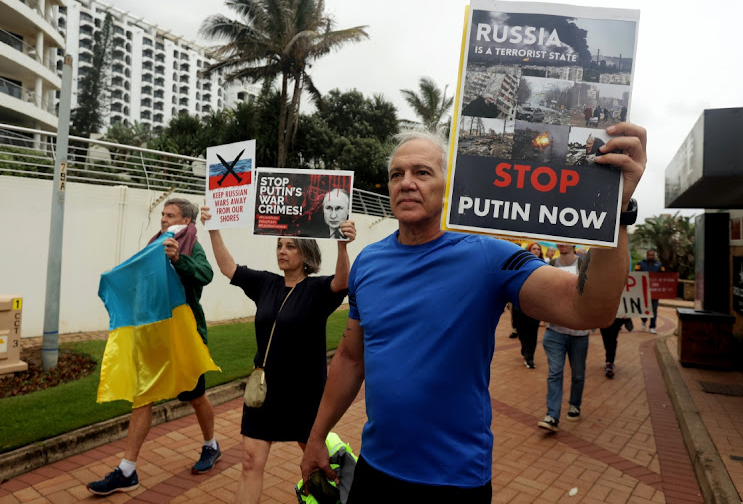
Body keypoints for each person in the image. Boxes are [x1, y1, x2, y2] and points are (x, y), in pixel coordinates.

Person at [300, 122, 646, 502]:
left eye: (422, 172)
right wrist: (317, 437)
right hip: (376, 469)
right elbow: (350, 358)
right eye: (397, 174)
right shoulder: (368, 262)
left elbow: (589, 309)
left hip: (455, 480)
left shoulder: (488, 255)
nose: (406, 182)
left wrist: (619, 210)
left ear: (449, 186)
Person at [202, 207, 356, 504]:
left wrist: (341, 243)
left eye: (290, 246)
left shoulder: (317, 289)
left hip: (304, 394)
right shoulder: (266, 284)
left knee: (317, 466)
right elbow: (228, 268)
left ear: (306, 254)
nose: (282, 251)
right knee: (249, 462)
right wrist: (213, 228)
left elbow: (343, 281)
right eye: (279, 245)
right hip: (265, 393)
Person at [87, 198, 218, 496]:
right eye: (162, 213)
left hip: (184, 338)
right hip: (154, 336)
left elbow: (206, 275)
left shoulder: (190, 244)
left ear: (185, 220)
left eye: (169, 214)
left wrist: (177, 260)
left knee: (196, 396)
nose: (162, 218)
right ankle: (127, 470)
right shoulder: (156, 242)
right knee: (142, 397)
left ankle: (211, 445)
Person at [537, 243, 589, 433]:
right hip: (555, 331)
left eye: (567, 240)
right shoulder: (550, 265)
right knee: (555, 372)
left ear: (573, 243)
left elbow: (592, 292)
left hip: (579, 332)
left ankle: (575, 404)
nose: (563, 244)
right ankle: (552, 415)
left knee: (578, 374)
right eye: (560, 240)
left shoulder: (583, 264)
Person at [511, 242, 544, 368]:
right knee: (521, 330)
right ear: (528, 250)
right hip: (519, 304)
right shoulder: (519, 263)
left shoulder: (544, 266)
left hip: (535, 305)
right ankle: (525, 348)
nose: (536, 250)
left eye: (538, 249)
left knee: (532, 332)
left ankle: (530, 357)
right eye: (533, 248)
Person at [635, 249, 665, 334]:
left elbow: (664, 276)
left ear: (654, 256)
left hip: (654, 291)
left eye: (652, 255)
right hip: (643, 291)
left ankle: (652, 326)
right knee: (643, 308)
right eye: (649, 255)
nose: (651, 256)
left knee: (654, 309)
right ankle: (644, 320)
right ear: (647, 255)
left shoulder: (659, 265)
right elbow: (636, 275)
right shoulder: (640, 264)